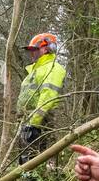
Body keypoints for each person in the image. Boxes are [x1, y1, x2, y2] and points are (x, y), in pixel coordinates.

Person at [16, 32, 67, 164]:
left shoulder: (53, 68)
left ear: (45, 49)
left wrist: (34, 123)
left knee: (43, 161)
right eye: (30, 51)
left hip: (44, 123)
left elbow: (48, 96)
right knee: (26, 161)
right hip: (29, 122)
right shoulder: (35, 70)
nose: (31, 53)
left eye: (34, 50)